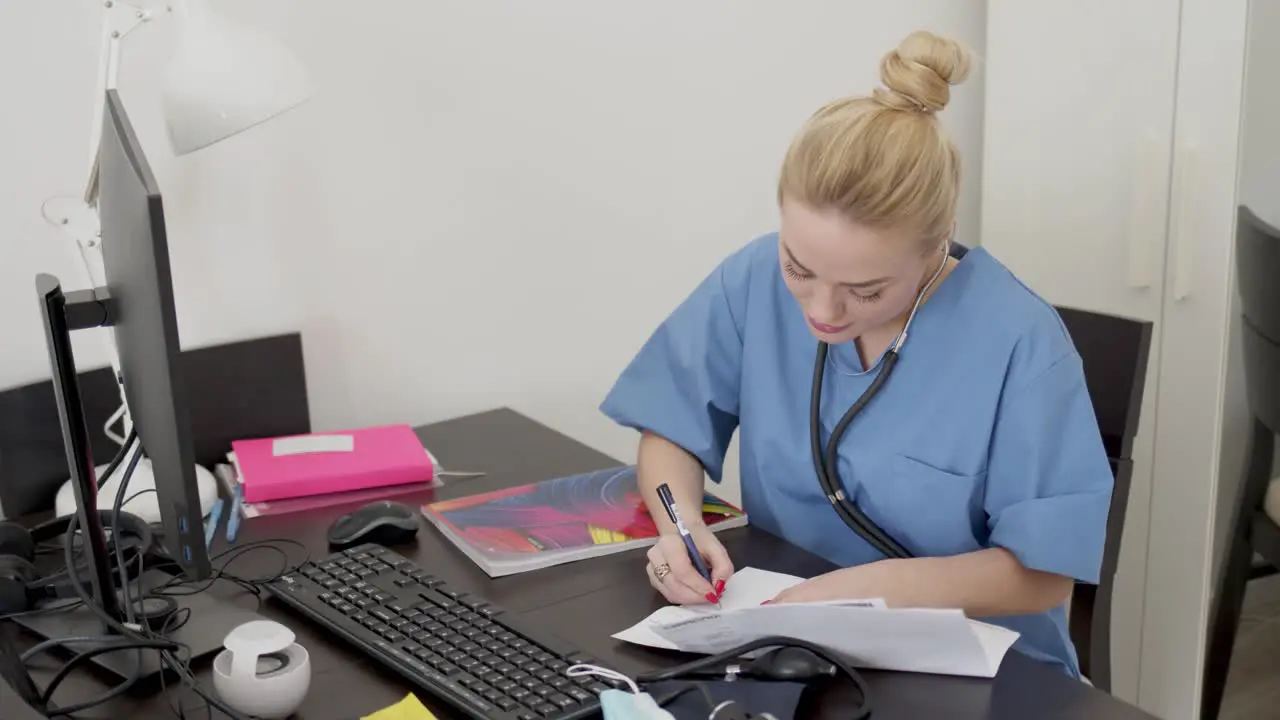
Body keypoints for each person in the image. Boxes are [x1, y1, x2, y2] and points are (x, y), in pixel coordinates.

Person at [599, 29, 1114, 679]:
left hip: (978, 670)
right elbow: (670, 426)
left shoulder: (1021, 344)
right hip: (794, 644)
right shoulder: (753, 278)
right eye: (799, 267)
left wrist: (871, 595)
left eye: (865, 290)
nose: (820, 310)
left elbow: (1043, 578)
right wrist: (681, 530)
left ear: (938, 242)